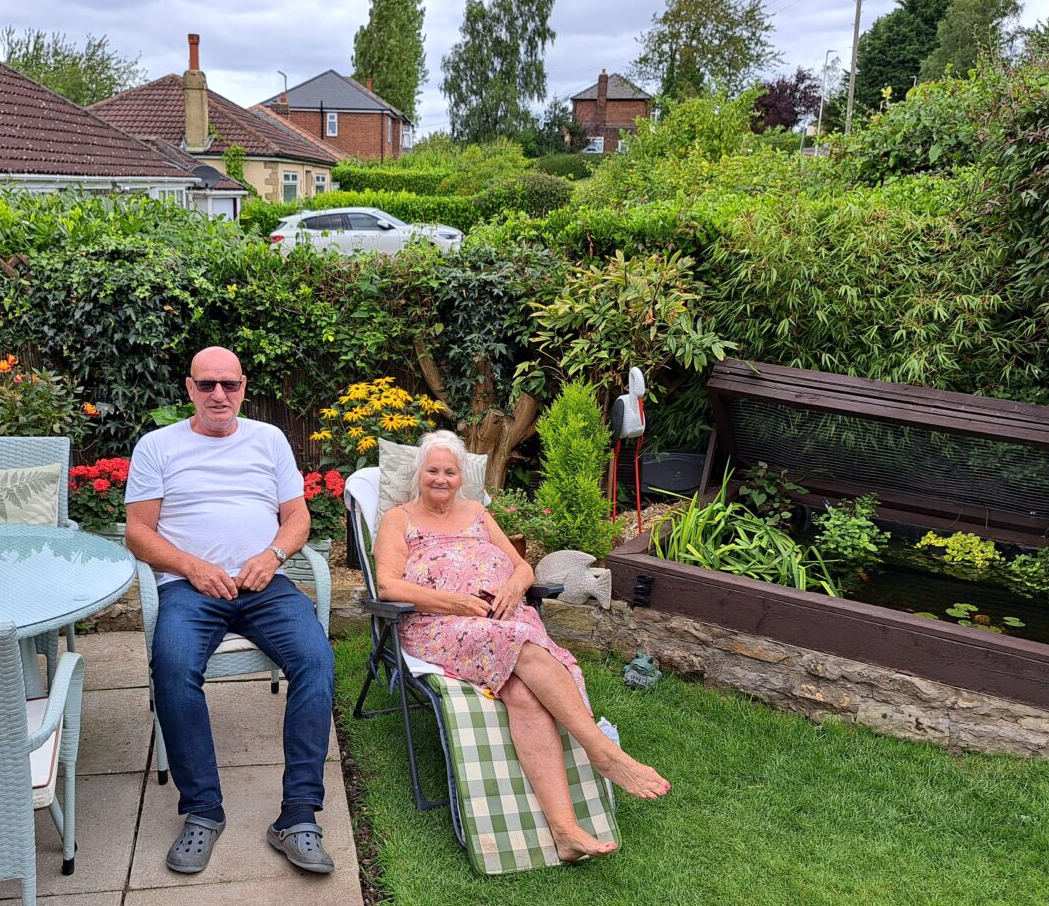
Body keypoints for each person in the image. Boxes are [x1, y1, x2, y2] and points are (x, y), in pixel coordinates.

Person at [374, 430, 671, 862]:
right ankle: (602, 751)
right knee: (527, 645)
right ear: (420, 474)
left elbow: (522, 566)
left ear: (462, 478)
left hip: (502, 618)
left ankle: (565, 832)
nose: (441, 479)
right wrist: (456, 602)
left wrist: (514, 588)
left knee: (523, 691)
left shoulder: (477, 513)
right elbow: (387, 584)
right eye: (433, 470)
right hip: (438, 624)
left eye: (450, 472)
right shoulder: (399, 519)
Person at [125, 346, 336, 875]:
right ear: (189, 388)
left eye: (230, 384)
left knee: (316, 660)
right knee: (173, 669)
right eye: (207, 385)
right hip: (190, 589)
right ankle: (202, 810)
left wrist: (274, 555)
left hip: (265, 585)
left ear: (243, 386)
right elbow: (138, 531)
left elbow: (297, 516)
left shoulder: (269, 440)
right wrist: (193, 568)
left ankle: (298, 815)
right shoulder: (157, 446)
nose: (219, 395)